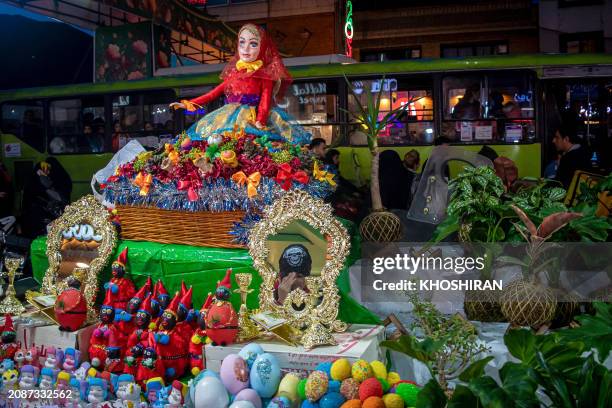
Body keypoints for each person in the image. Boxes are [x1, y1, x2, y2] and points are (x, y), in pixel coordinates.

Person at [170, 23, 310, 146]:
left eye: (253, 44)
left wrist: (260, 120)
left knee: (251, 144)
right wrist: (188, 104)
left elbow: (265, 101)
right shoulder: (234, 73)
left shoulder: (265, 75)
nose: (246, 48)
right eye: (242, 42)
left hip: (251, 118)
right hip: (228, 116)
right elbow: (212, 94)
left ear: (262, 48)